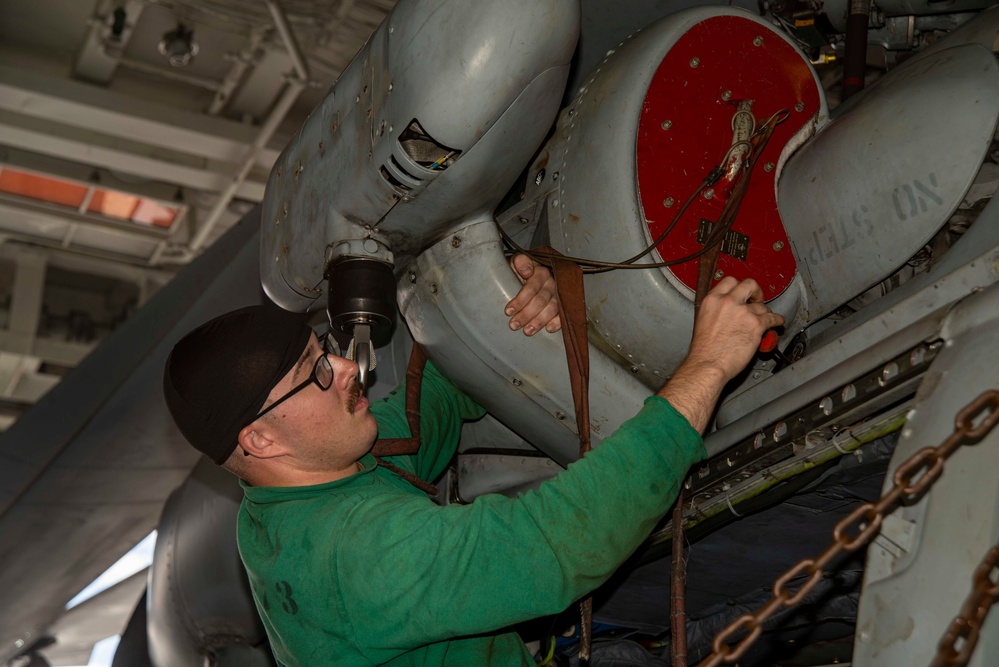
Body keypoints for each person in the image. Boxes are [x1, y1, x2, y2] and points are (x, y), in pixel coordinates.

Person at [163, 255, 782, 666]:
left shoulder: (289, 495)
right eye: (316, 373)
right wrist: (708, 365)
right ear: (261, 441)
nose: (348, 367)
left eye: (325, 349)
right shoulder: (358, 559)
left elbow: (435, 400)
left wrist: (517, 309)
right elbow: (558, 546)